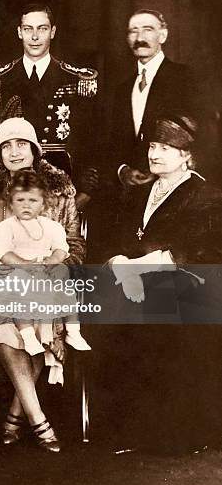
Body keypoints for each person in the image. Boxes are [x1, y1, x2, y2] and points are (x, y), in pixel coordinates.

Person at [94, 113, 222, 453]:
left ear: (186, 156)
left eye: (167, 147)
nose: (155, 153)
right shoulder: (139, 193)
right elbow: (118, 240)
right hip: (134, 281)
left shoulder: (204, 194)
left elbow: (194, 253)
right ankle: (127, 430)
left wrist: (135, 267)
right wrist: (120, 263)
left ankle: (170, 436)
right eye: (153, 145)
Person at [0, 117, 86, 452]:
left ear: (35, 148)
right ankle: (38, 420)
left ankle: (18, 417)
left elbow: (75, 245)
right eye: (6, 146)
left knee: (31, 328)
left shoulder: (60, 189)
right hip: (1, 282)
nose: (14, 152)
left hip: (49, 284)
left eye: (21, 144)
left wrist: (56, 265)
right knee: (7, 329)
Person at [0, 3, 99, 207]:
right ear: (19, 32)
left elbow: (89, 141)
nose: (34, 37)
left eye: (42, 29)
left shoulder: (74, 79)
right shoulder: (0, 80)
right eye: (28, 29)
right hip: (12, 188)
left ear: (52, 32)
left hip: (63, 188)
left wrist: (85, 192)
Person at [0, 170, 90, 355]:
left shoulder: (51, 227)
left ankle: (73, 331)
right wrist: (24, 264)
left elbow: (62, 248)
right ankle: (28, 336)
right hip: (19, 271)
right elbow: (4, 253)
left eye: (33, 201)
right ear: (11, 203)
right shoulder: (7, 227)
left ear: (43, 204)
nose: (26, 205)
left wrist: (52, 261)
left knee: (63, 272)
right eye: (20, 200)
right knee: (18, 283)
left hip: (45, 273)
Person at [109, 9, 202, 189]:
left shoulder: (184, 77)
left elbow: (200, 134)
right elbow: (115, 142)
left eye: (148, 29)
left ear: (163, 35)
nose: (139, 37)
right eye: (133, 31)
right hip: (132, 190)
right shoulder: (122, 88)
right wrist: (123, 170)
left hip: (175, 184)